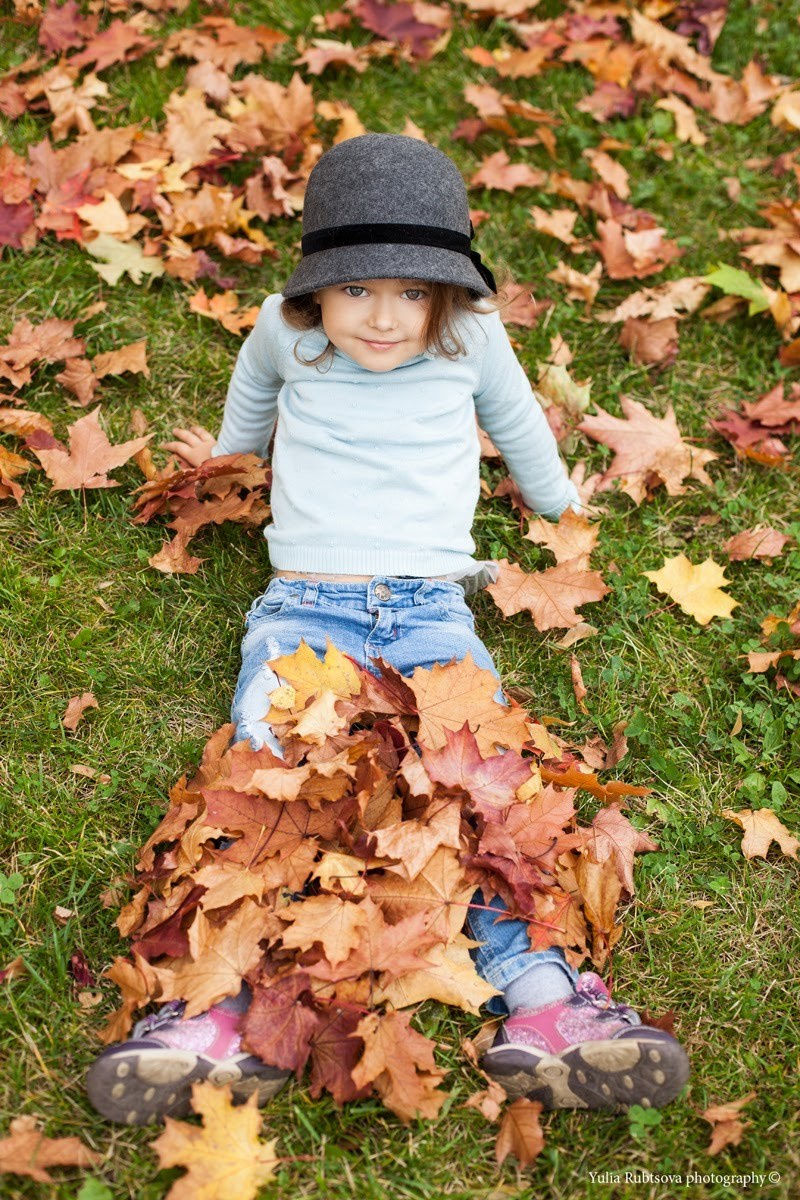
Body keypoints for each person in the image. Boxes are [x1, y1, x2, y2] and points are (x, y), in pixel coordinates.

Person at [86, 134, 688, 1125]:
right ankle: (213, 1014)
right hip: (304, 610)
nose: (381, 314)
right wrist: (230, 468)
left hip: (429, 613)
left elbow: (519, 418)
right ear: (315, 289)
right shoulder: (283, 333)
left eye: (411, 292)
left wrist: (559, 504)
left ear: (445, 294)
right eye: (357, 288)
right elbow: (252, 398)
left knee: (484, 790)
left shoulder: (473, 337)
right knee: (261, 785)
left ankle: (545, 1007)